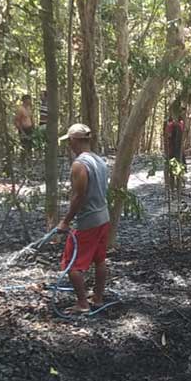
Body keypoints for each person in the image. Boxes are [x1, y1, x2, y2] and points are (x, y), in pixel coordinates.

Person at [56, 123, 110, 315]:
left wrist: (66, 221)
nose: (68, 145)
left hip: (88, 221)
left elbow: (79, 196)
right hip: (104, 218)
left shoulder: (80, 164)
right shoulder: (99, 160)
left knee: (71, 264)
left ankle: (83, 304)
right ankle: (97, 298)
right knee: (100, 259)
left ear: (74, 141)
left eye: (69, 141)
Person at [164, 114, 186, 191]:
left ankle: (178, 186)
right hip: (173, 150)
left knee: (179, 169)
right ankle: (173, 187)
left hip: (178, 150)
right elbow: (168, 136)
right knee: (174, 170)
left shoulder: (181, 124)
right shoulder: (171, 125)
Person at [14, 94, 34, 165]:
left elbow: (31, 118)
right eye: (29, 99)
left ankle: (29, 162)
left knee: (30, 146)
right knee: (24, 145)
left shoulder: (29, 108)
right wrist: (21, 131)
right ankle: (23, 162)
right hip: (23, 129)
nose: (30, 101)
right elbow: (17, 121)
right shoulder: (20, 109)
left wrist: (33, 128)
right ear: (25, 100)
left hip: (30, 129)